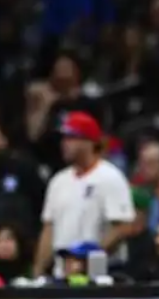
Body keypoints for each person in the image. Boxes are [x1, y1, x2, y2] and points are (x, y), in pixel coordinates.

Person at [33, 111, 135, 276]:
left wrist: (89, 259)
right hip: (63, 273)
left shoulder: (110, 177)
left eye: (72, 138)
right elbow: (49, 228)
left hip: (101, 273)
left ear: (90, 142)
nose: (65, 144)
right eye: (64, 139)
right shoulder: (58, 181)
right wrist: (39, 269)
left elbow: (123, 227)